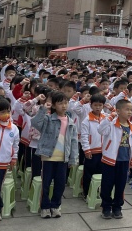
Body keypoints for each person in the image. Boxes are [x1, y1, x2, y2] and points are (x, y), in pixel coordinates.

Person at [31, 91, 79, 219]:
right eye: (60, 103)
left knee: (60, 183)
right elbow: (35, 123)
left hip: (63, 158)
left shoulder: (70, 122)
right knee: (46, 183)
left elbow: (74, 141)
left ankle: (56, 205)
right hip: (48, 157)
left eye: (66, 103)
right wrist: (43, 109)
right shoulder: (48, 119)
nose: (64, 106)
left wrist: (73, 158)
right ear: (53, 105)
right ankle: (45, 207)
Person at [98, 99, 132, 219]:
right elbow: (100, 130)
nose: (129, 112)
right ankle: (106, 207)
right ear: (118, 111)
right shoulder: (111, 124)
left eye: (131, 110)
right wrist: (109, 118)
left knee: (120, 186)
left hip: (124, 161)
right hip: (109, 160)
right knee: (107, 185)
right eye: (127, 109)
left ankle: (117, 207)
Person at [80, 94, 106, 199]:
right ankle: (86, 192)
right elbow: (84, 136)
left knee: (101, 173)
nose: (98, 107)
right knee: (88, 173)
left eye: (100, 105)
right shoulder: (86, 120)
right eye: (95, 105)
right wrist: (86, 150)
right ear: (91, 105)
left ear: (103, 106)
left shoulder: (106, 118)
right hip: (91, 151)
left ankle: (98, 192)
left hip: (103, 152)